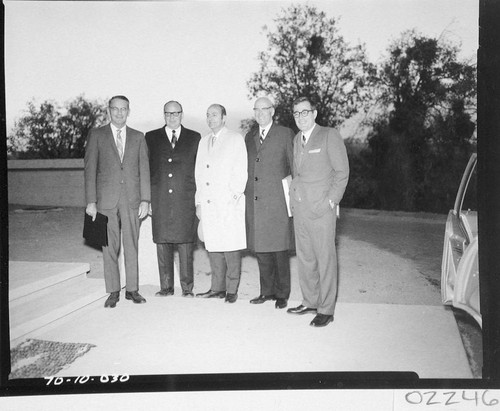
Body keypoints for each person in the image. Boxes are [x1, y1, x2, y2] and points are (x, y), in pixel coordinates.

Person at [287, 96, 349, 327]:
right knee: (305, 258)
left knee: (325, 258)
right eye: (296, 113)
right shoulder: (296, 139)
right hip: (300, 208)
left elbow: (342, 173)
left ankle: (326, 309)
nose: (301, 117)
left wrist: (330, 202)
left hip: (322, 209)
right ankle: (310, 301)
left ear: (314, 114)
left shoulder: (328, 135)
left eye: (305, 112)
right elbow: (299, 173)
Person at [84, 95, 150, 308]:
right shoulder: (97, 135)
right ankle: (113, 290)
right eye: (115, 109)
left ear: (128, 111)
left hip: (132, 200)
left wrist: (145, 200)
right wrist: (91, 201)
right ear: (109, 110)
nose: (120, 113)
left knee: (132, 246)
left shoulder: (139, 137)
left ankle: (132, 289)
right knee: (109, 247)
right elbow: (90, 169)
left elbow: (144, 171)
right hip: (106, 201)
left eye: (124, 109)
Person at [145, 101, 201, 298]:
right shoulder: (151, 138)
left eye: (176, 113)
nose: (172, 116)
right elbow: (147, 170)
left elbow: (199, 171)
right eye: (168, 113)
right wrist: (147, 199)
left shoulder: (195, 138)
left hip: (185, 199)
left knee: (186, 243)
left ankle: (187, 288)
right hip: (159, 199)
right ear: (164, 115)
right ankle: (166, 287)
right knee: (163, 242)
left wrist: (198, 199)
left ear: (182, 114)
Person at [194, 104, 248, 303]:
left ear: (224, 118)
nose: (210, 118)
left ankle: (232, 289)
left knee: (230, 247)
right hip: (208, 204)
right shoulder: (203, 141)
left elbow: (241, 172)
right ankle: (217, 288)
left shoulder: (235, 139)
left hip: (228, 204)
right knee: (213, 245)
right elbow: (199, 174)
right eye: (208, 115)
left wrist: (232, 198)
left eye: (215, 115)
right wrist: (199, 202)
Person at [245, 96, 294, 309]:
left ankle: (282, 293)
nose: (260, 113)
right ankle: (266, 291)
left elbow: (294, 167)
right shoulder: (250, 136)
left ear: (272, 111)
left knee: (280, 250)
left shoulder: (285, 134)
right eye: (256, 109)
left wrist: (294, 198)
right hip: (255, 202)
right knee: (262, 249)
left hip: (278, 202)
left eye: (264, 109)